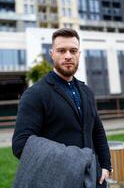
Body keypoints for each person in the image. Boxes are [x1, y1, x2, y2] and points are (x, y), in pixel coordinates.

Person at [12, 28, 112, 187]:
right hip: (59, 181)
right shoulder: (35, 94)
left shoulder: (87, 91)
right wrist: (75, 161)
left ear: (79, 54)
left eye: (73, 51)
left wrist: (106, 165)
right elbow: (21, 144)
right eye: (61, 50)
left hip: (94, 178)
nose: (68, 56)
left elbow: (97, 130)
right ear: (52, 54)